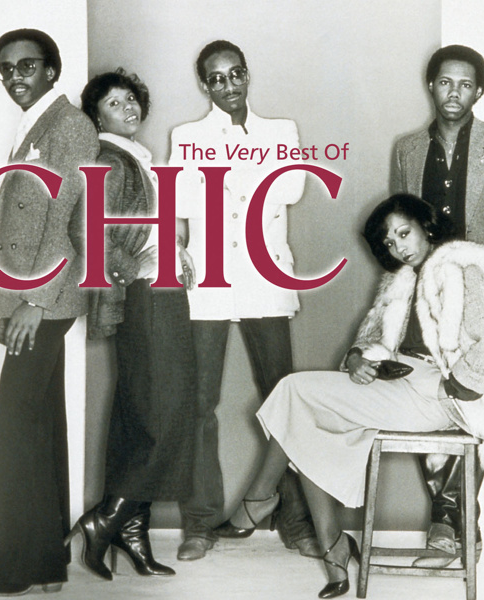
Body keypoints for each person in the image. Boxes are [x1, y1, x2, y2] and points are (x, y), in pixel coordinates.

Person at [217, 194, 484, 599]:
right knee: (301, 407)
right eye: (390, 243)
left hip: (434, 396)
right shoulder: (402, 279)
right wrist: (357, 359)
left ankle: (262, 502)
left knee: (295, 394)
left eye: (404, 233)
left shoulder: (460, 269)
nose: (399, 248)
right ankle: (331, 547)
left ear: (426, 226)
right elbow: (369, 338)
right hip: (396, 382)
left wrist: (456, 388)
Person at [168, 39, 319, 562]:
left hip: (265, 276)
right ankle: (199, 522)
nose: (228, 85)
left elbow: (290, 189)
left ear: (247, 74)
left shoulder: (281, 131)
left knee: (284, 401)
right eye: (216, 78)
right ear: (204, 85)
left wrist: (227, 179)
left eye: (236, 74)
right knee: (198, 403)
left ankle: (294, 518)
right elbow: (183, 202)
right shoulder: (187, 137)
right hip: (208, 278)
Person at [391, 44, 484, 559]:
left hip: (477, 296)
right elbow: (399, 224)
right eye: (446, 82)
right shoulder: (408, 149)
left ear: (479, 91)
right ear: (431, 85)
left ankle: (448, 523)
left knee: (473, 396)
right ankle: (454, 521)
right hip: (425, 297)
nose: (455, 92)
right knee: (429, 393)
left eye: (466, 84)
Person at [0, 29, 99, 596]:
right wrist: (13, 299)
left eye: (26, 65)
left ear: (52, 70)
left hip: (47, 297)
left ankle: (19, 564)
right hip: (32, 296)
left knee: (17, 425)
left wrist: (32, 300)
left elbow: (63, 219)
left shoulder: (69, 125)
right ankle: (46, 561)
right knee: (41, 422)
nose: (14, 76)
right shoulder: (37, 124)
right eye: (5, 68)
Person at [64, 69, 197, 582]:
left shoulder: (133, 157)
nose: (128, 108)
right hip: (146, 295)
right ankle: (105, 520)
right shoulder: (111, 160)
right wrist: (130, 265)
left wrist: (175, 251)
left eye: (131, 100)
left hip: (159, 288)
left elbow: (143, 226)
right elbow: (85, 227)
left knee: (142, 409)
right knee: (165, 408)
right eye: (114, 104)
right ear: (97, 117)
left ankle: (132, 532)